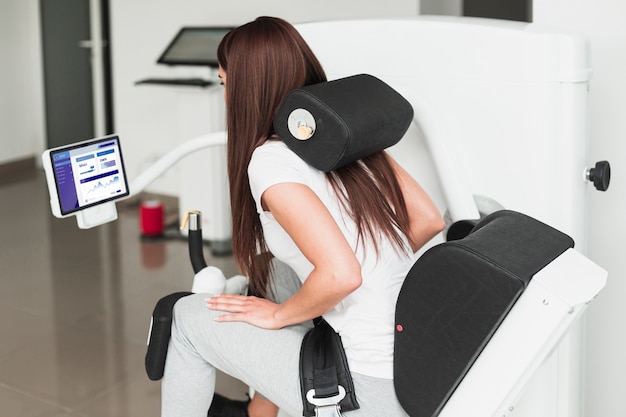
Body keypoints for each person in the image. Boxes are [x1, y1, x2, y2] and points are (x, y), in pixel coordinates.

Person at [161, 16, 445, 417]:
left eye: (226, 84)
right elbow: (428, 220)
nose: (225, 97)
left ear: (246, 90)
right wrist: (373, 265)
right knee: (276, 275)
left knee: (185, 318)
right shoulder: (350, 138)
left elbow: (342, 275)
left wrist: (279, 316)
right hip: (413, 369)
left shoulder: (270, 162)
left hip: (367, 388)